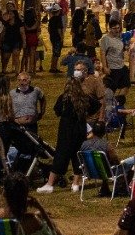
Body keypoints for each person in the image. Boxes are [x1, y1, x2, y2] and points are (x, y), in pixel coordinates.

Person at [37, 64, 100, 194]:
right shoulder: (84, 98)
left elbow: (57, 111)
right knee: (77, 156)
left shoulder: (64, 99)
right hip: (80, 130)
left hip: (66, 130)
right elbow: (96, 105)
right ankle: (76, 184)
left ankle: (50, 184)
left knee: (61, 156)